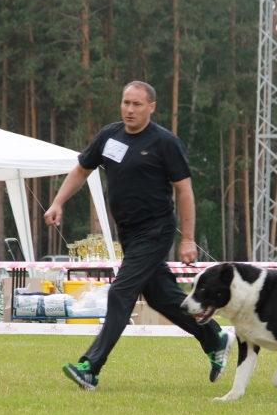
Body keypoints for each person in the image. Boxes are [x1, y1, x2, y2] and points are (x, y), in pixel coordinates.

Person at [44, 81, 234, 391]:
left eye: (137, 104)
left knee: (120, 292)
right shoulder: (109, 136)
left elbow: (184, 191)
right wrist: (57, 202)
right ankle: (214, 338)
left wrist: (187, 238)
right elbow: (81, 170)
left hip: (156, 230)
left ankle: (91, 367)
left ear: (151, 108)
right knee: (162, 297)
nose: (129, 109)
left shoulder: (165, 142)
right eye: (126, 102)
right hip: (129, 234)